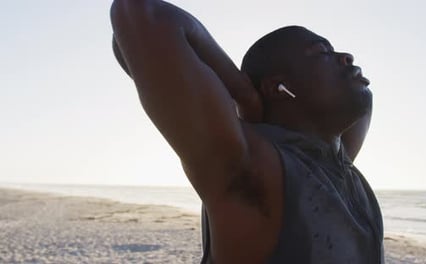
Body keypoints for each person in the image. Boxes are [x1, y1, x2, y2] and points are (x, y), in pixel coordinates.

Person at [110, 0, 384, 263]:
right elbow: (140, 14)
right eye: (322, 52)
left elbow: (364, 99)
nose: (346, 57)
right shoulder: (253, 168)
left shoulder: (336, 161)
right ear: (278, 86)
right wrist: (243, 94)